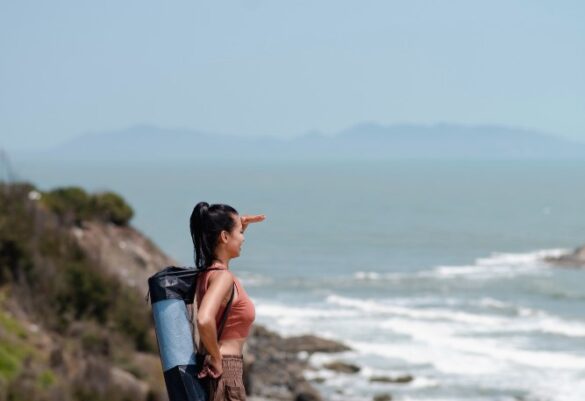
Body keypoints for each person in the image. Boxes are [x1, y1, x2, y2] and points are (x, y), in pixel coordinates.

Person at [190, 202, 265, 401]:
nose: (243, 239)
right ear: (224, 236)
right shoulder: (223, 278)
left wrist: (238, 226)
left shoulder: (206, 274)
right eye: (240, 233)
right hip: (226, 369)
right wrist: (217, 358)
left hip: (218, 369)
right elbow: (204, 319)